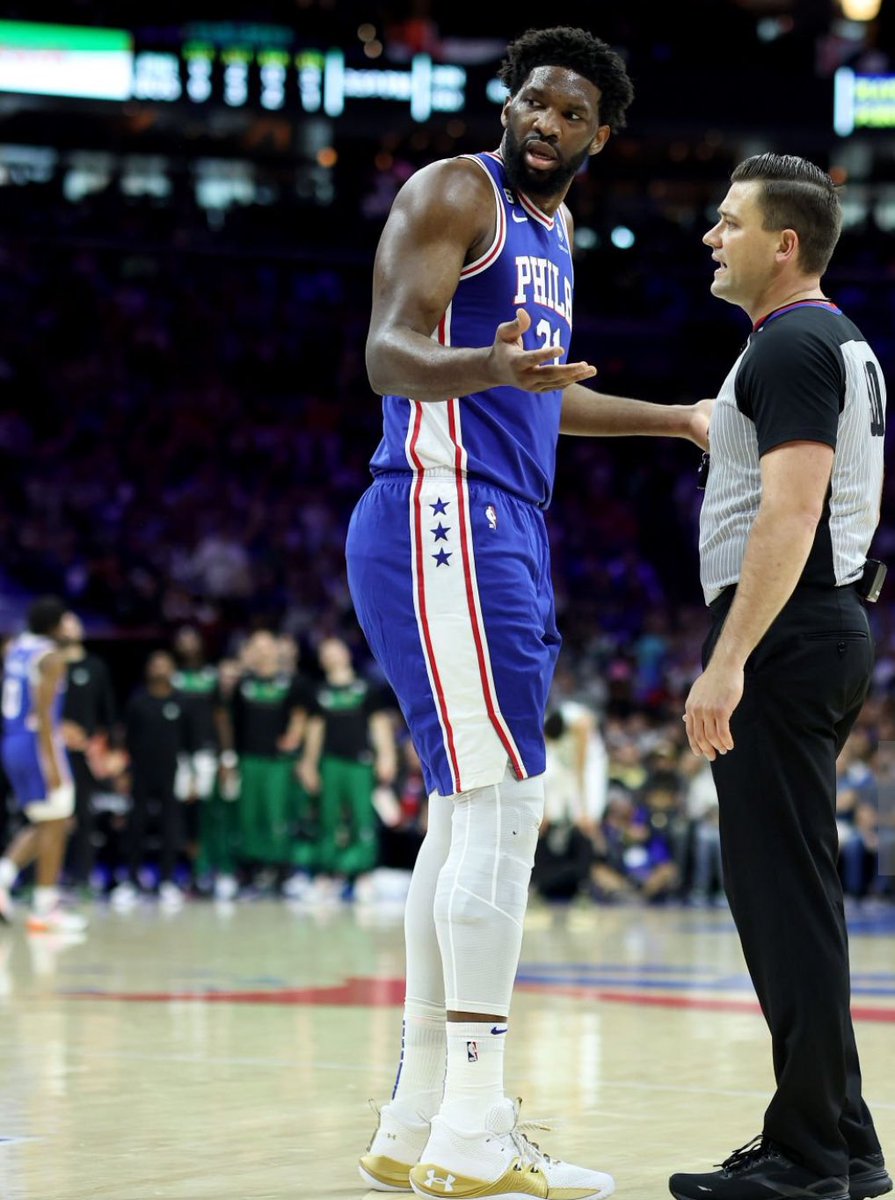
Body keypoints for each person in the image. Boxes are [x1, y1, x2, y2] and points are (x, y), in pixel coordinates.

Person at [346, 25, 710, 1200]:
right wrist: (485, 371)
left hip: (495, 516)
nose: (542, 122)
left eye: (569, 114)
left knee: (467, 815)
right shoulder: (461, 190)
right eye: (531, 102)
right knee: (505, 809)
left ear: (600, 136)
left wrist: (675, 420)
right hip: (444, 510)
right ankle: (473, 1126)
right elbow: (391, 355)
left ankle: (417, 1120)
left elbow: (546, 399)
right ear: (509, 105)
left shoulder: (552, 237)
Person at [673, 154, 891, 1200]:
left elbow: (791, 513)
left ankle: (809, 1156)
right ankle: (841, 1143)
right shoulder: (821, 341)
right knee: (793, 896)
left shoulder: (794, 342)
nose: (712, 237)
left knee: (781, 901)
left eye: (728, 221)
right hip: (821, 627)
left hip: (788, 632)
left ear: (783, 243)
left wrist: (726, 663)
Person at [0, 595, 88, 933]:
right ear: (54, 625)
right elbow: (43, 716)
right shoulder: (52, 658)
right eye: (67, 620)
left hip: (13, 741)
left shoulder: (18, 648)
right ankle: (43, 909)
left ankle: (11, 881)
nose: (71, 626)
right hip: (39, 745)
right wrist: (52, 765)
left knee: (46, 821)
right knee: (58, 819)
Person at [113, 651, 194, 909]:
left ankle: (168, 881)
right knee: (136, 824)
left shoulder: (182, 702)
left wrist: (192, 775)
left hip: (172, 772)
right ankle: (132, 880)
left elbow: (190, 741)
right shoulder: (138, 702)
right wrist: (124, 772)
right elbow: (126, 740)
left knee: (171, 826)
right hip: (140, 772)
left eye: (165, 665)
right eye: (155, 665)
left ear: (173, 669)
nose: (160, 670)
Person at [59, 610, 117, 892]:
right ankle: (39, 879)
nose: (69, 630)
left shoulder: (95, 667)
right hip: (53, 753)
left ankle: (82, 877)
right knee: (50, 817)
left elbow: (107, 713)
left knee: (84, 814)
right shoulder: (50, 665)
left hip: (84, 755)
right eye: (63, 625)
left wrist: (103, 748)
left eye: (74, 624)